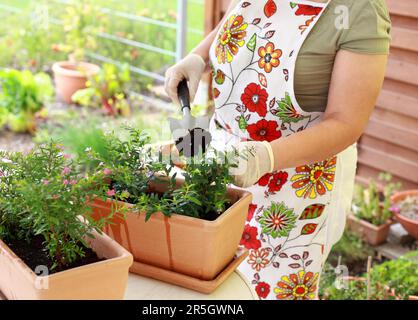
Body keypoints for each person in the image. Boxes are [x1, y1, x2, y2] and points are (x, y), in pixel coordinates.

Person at [164, 0, 391, 300]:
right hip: (225, 160)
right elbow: (241, 21)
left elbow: (346, 122)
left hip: (297, 187)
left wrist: (265, 157)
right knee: (211, 289)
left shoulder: (359, 11)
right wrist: (198, 57)